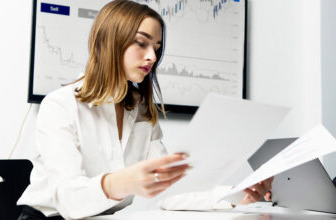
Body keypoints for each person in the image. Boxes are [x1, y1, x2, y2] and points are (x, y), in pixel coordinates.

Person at [17, 1, 272, 219]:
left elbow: (168, 191)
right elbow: (70, 201)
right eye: (142, 43)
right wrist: (123, 181)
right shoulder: (60, 105)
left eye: (157, 48)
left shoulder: (139, 110)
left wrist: (236, 194)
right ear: (110, 42)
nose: (152, 56)